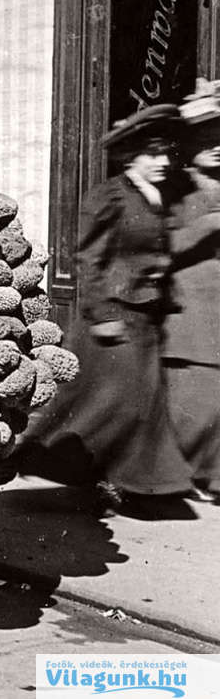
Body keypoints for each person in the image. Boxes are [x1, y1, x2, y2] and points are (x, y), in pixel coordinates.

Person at [16, 104, 194, 513]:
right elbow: (89, 259)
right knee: (109, 407)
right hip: (113, 319)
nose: (163, 162)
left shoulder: (156, 198)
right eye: (153, 153)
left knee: (134, 406)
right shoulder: (110, 195)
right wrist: (104, 314)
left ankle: (132, 483)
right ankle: (99, 476)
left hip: (145, 319)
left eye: (166, 153)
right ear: (132, 156)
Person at [163, 79, 220, 500]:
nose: (216, 146)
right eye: (206, 138)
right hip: (189, 310)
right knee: (198, 403)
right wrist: (210, 224)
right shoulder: (175, 190)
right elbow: (158, 245)